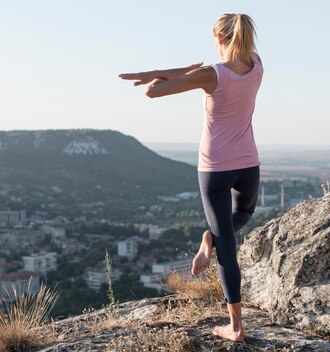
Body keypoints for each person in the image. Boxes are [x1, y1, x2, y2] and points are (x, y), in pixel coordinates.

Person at [119, 13, 262, 343]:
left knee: (226, 246)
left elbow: (153, 93)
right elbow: (214, 68)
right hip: (248, 163)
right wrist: (189, 72)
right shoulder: (256, 65)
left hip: (214, 168)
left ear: (220, 39)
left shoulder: (212, 76)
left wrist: (162, 73)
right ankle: (211, 238)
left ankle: (236, 327)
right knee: (244, 216)